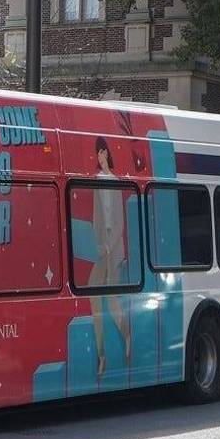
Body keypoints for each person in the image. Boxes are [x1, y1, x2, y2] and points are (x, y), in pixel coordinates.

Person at [89, 137, 130, 376]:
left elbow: (119, 223)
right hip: (101, 248)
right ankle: (101, 355)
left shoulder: (115, 182)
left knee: (112, 299)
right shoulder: (96, 182)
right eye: (97, 154)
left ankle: (126, 336)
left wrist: (109, 245)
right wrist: (98, 244)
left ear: (105, 153)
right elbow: (97, 218)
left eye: (100, 153)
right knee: (94, 297)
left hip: (114, 249)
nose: (98, 157)